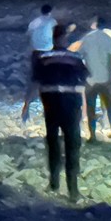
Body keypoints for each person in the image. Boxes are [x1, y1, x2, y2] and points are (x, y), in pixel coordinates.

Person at [22, 25, 88, 201]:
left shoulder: (43, 58)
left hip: (51, 103)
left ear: (53, 38)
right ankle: (73, 190)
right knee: (72, 144)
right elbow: (83, 84)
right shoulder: (75, 58)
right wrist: (85, 111)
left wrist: (26, 105)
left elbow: (35, 83)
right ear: (65, 38)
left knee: (53, 142)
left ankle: (54, 183)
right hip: (71, 103)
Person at [74, 17, 111, 141]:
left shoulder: (86, 38)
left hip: (90, 79)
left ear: (95, 25)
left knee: (91, 107)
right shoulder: (109, 38)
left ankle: (92, 135)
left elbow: (79, 55)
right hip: (107, 78)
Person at [26, 4, 56, 76]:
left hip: (36, 49)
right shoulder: (53, 21)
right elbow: (56, 34)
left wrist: (30, 45)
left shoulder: (35, 22)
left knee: (35, 72)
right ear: (50, 12)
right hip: (49, 49)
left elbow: (28, 34)